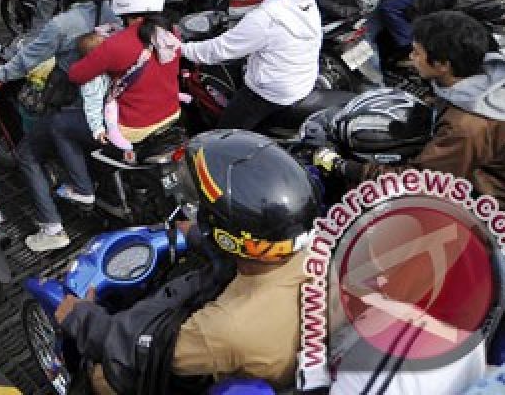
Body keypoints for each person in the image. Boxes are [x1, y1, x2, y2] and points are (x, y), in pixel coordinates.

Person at [313, 10, 505, 349]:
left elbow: (416, 181)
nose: (411, 57)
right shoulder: (489, 79)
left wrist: (345, 168)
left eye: (417, 52)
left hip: (496, 218)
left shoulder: (467, 126)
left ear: (443, 64)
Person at [58, 129, 317, 393]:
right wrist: (199, 236)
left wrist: (82, 318)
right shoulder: (318, 251)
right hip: (293, 370)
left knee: (101, 377)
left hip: (219, 372)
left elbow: (144, 349)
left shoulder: (224, 328)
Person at [0, 0, 110, 252]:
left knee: (26, 154)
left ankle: (52, 228)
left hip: (73, 103)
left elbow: (27, 58)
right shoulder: (109, 9)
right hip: (109, 98)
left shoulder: (62, 25)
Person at [57, 0, 182, 204]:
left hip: (133, 127)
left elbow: (76, 75)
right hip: (171, 114)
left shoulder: (115, 45)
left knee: (59, 125)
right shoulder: (171, 33)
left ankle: (83, 190)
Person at [182, 0, 321, 132]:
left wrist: (182, 49)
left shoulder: (264, 19)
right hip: (300, 82)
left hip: (269, 93)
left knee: (225, 133)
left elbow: (218, 50)